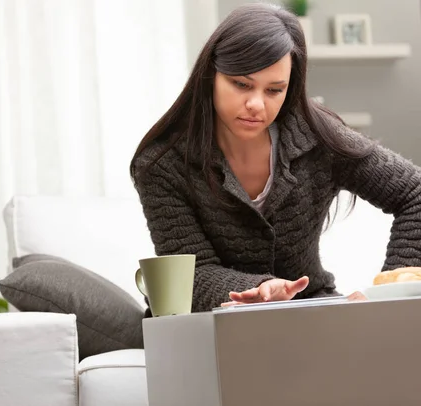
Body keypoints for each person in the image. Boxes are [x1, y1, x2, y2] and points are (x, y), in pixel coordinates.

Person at [129, 3, 421, 313]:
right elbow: (190, 276)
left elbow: (414, 193)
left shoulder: (318, 137)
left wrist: (393, 291)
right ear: (210, 75)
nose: (256, 104)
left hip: (311, 318)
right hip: (212, 324)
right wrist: (257, 290)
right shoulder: (161, 163)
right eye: (241, 84)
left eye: (274, 90)